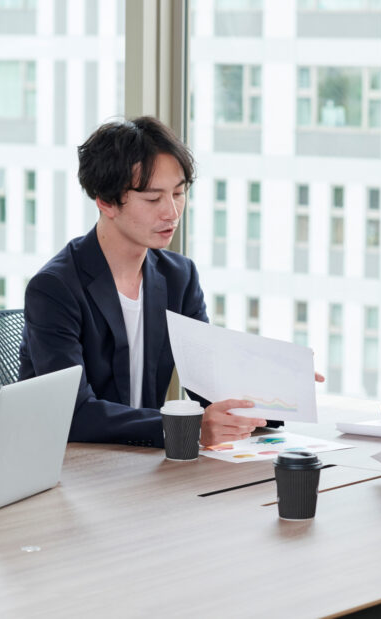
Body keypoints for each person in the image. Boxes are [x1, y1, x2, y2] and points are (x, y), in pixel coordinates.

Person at [20, 117, 282, 448]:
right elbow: (73, 413)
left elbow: (208, 387)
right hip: (70, 465)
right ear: (105, 201)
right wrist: (188, 427)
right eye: (153, 198)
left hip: (143, 465)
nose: (172, 212)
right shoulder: (55, 288)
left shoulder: (179, 277)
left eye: (179, 193)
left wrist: (281, 387)